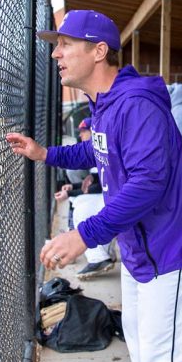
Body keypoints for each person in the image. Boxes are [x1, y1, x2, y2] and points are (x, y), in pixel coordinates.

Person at [6, 9, 182, 362]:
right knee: (145, 348)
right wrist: (45, 153)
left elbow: (148, 182)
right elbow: (98, 148)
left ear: (99, 51)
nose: (56, 53)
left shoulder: (135, 104)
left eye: (66, 44)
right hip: (141, 246)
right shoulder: (107, 102)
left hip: (170, 248)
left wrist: (83, 236)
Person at [53, 117, 115, 280]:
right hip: (111, 195)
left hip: (117, 198)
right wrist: (73, 189)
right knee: (80, 202)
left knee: (82, 207)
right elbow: (95, 183)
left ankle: (99, 257)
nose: (81, 135)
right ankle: (97, 253)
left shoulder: (103, 143)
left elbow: (100, 186)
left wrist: (71, 193)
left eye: (83, 132)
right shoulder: (97, 146)